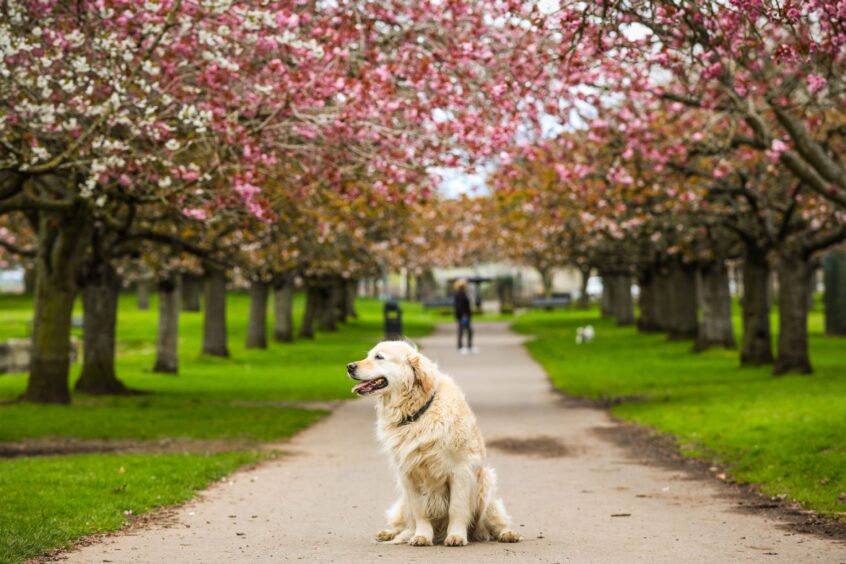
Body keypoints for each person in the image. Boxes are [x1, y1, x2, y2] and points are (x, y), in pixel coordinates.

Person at [453, 279, 477, 354]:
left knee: (468, 331)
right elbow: (459, 306)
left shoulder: (463, 293)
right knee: (463, 331)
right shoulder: (459, 294)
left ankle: (469, 346)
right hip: (463, 316)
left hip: (465, 315)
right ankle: (461, 347)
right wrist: (464, 315)